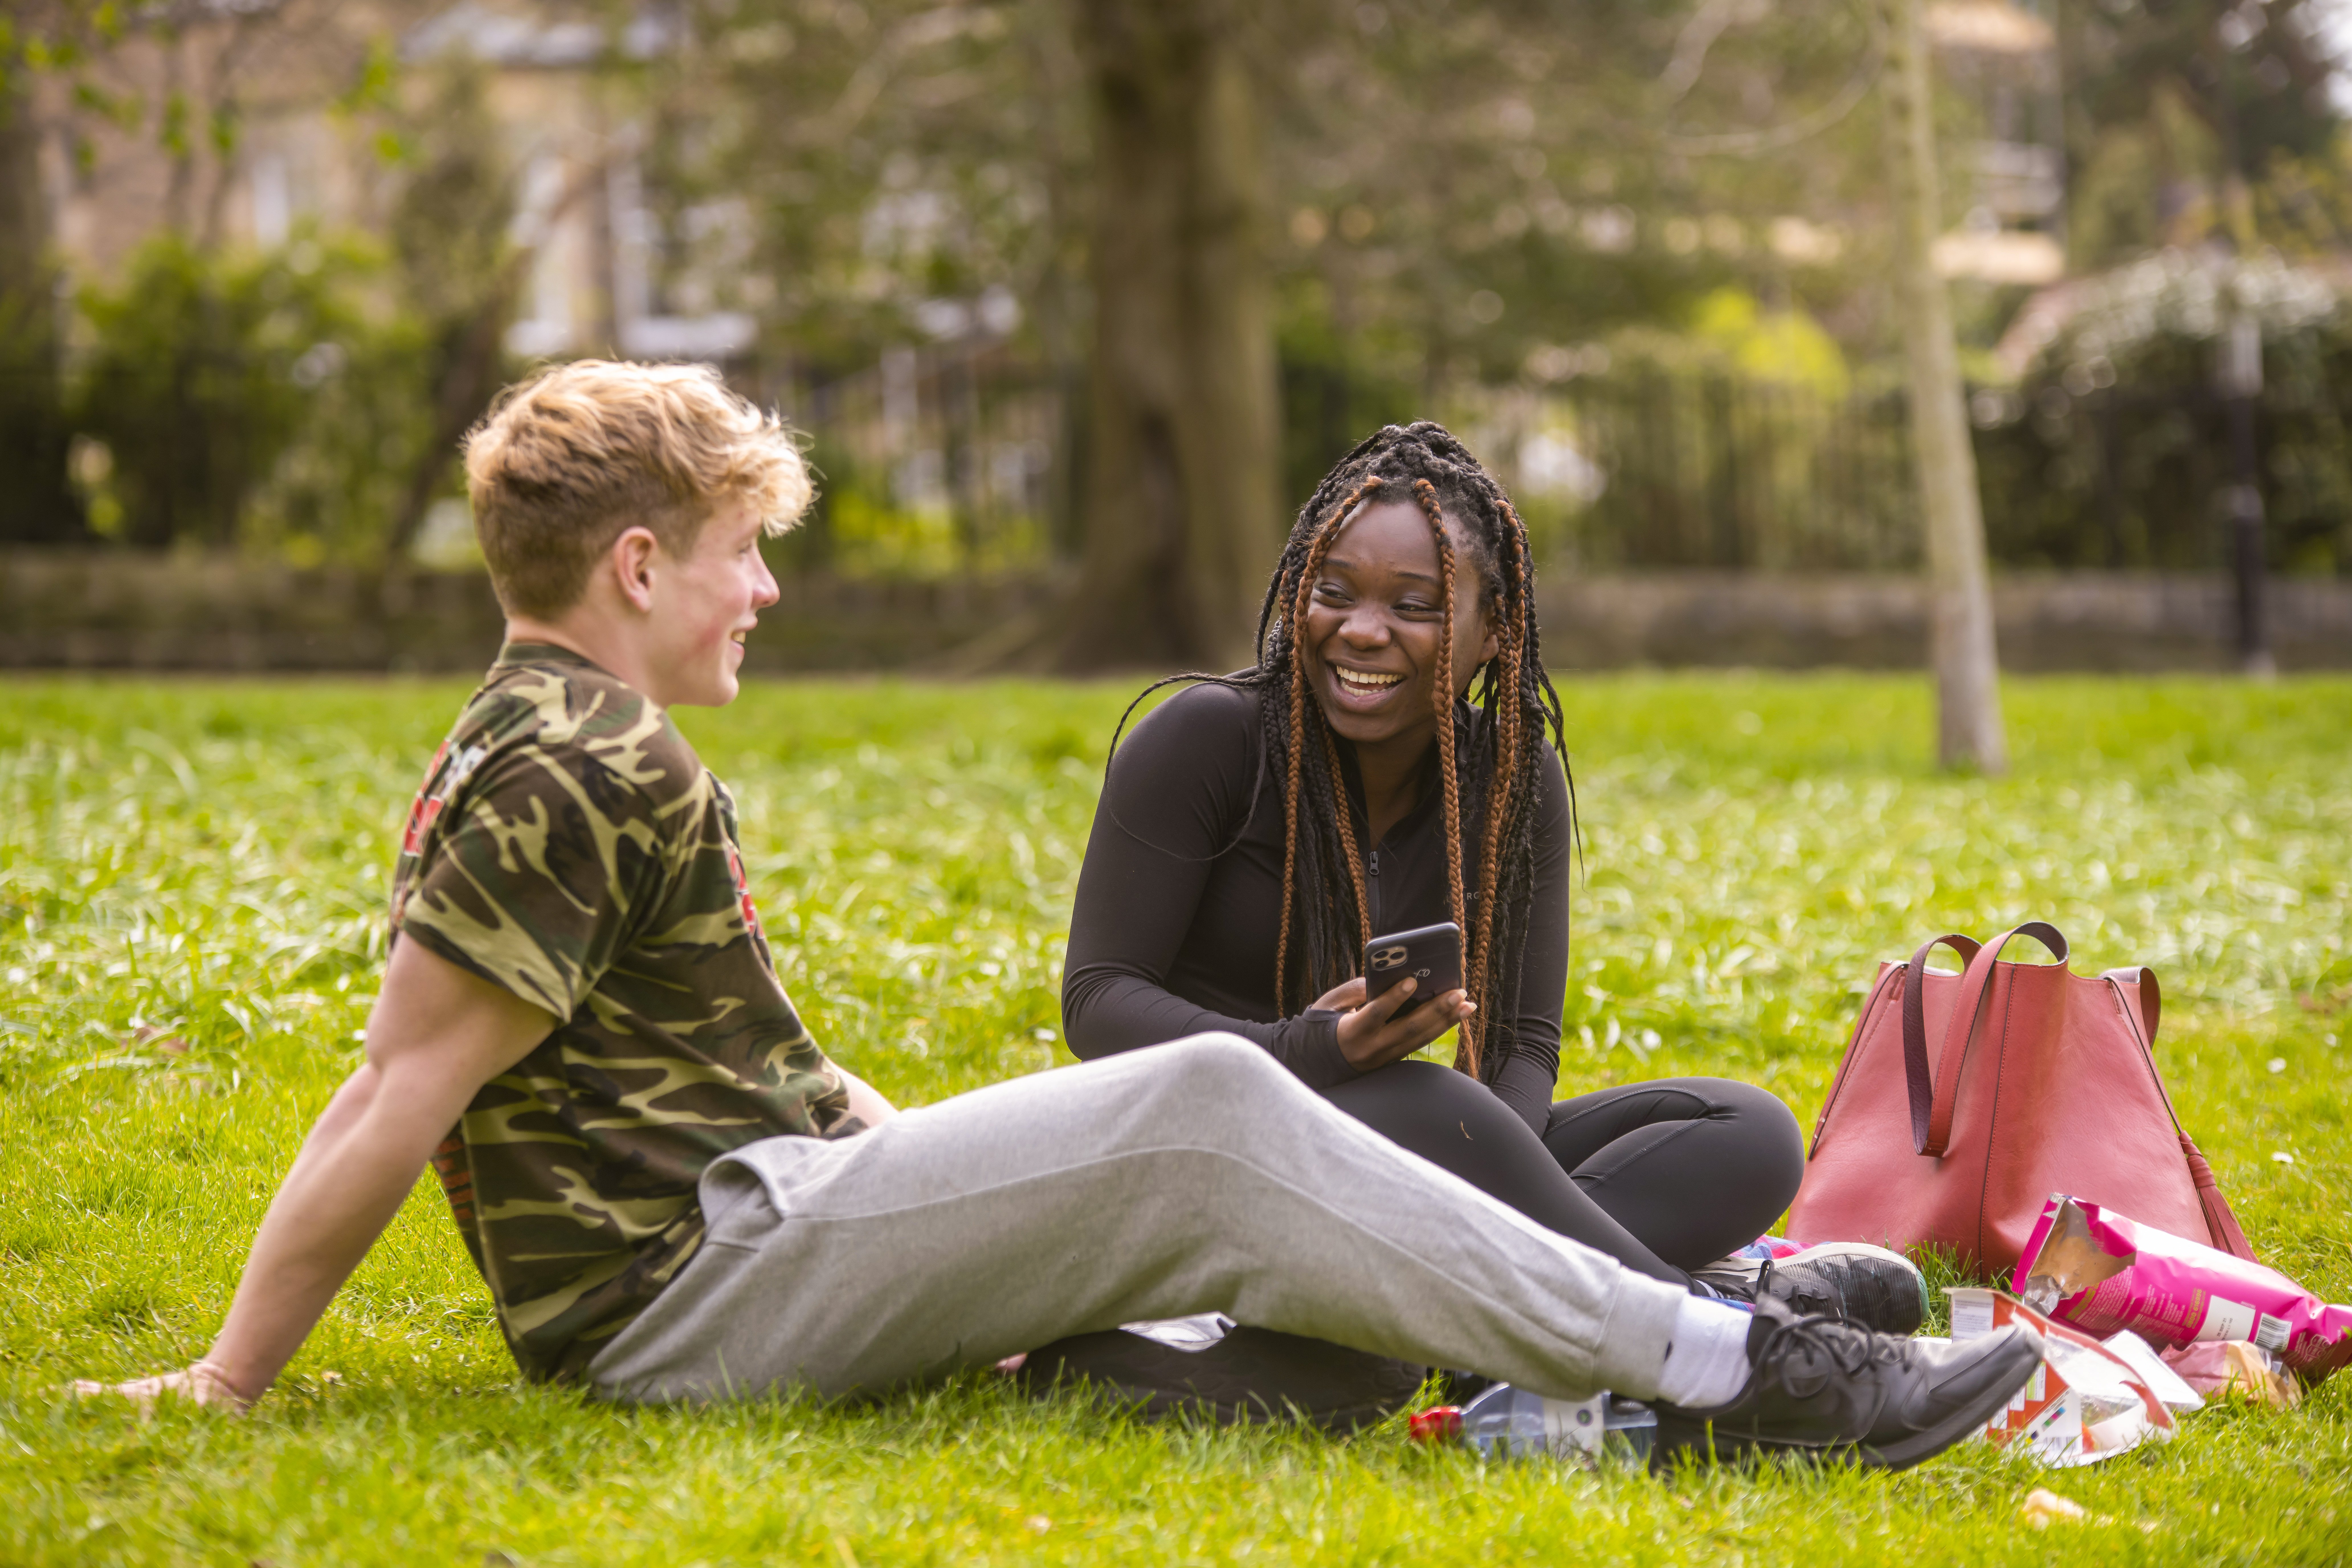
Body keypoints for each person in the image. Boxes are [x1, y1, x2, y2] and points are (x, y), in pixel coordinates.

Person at [74, 363, 2038, 1474]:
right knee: (1209, 1103)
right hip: (687, 1304)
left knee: (1217, 1149)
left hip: (766, 1214)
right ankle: (1722, 1368)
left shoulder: (581, 741)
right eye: (748, 556)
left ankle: (1659, 1353)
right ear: (640, 559)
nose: (763, 593)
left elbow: (701, 1059)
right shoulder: (572, 766)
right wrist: (233, 1376)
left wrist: (884, 1137)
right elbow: (392, 1093)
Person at [1063, 422, 1917, 1329]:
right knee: (1424, 1100)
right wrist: (1321, 1053)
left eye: (1416, 605)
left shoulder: (1509, 779)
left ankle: (1454, 1304)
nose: (1360, 630)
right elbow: (1099, 1003)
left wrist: (1483, 1161)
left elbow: (1522, 1051)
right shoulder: (1206, 742)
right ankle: (1714, 1330)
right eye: (1333, 593)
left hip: (1402, 1156)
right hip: (1206, 1149)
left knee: (1748, 1133)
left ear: (1496, 631)